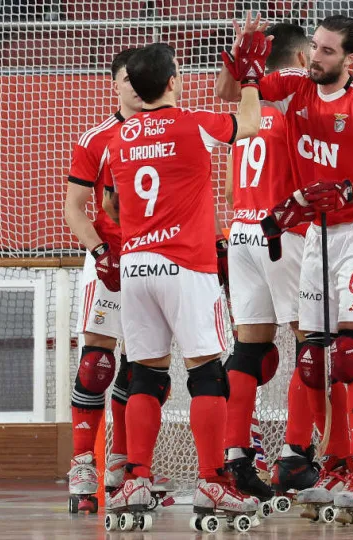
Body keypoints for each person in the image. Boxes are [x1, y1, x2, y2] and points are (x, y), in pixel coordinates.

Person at [218, 13, 353, 521]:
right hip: (317, 233)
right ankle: (333, 465)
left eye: (326, 51)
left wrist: (344, 189)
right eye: (314, 47)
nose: (314, 57)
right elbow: (233, 95)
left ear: (350, 59)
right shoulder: (295, 85)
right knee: (313, 358)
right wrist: (241, 57)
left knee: (351, 353)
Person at [101, 36, 268, 525]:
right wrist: (251, 78)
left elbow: (112, 204)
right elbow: (252, 124)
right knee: (206, 374)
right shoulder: (192, 124)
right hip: (185, 266)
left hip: (136, 267)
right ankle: (213, 482)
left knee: (145, 375)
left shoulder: (120, 136)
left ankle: (134, 478)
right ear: (174, 81)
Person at [220, 22, 321, 505]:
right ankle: (295, 453)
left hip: (240, 227)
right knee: (310, 340)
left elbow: (229, 190)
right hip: (284, 231)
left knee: (250, 350)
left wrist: (237, 65)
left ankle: (236, 456)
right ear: (302, 60)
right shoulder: (293, 96)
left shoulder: (249, 101)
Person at [63, 47, 167, 514]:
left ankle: (125, 465)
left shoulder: (170, 130)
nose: (133, 84)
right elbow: (74, 208)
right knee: (96, 362)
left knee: (143, 368)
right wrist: (100, 251)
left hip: (155, 260)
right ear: (115, 84)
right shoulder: (95, 139)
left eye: (139, 77)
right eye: (126, 77)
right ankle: (83, 463)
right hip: (109, 260)